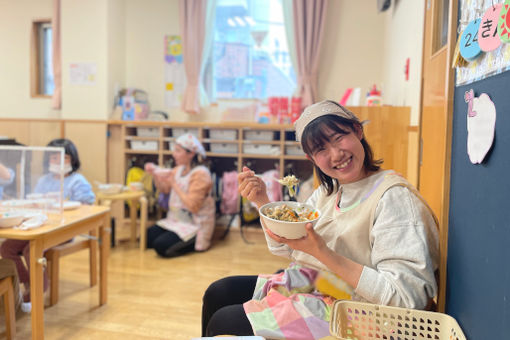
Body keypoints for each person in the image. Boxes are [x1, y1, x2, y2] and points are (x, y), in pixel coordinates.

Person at [201, 100, 439, 338]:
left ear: (358, 130)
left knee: (224, 321)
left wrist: (323, 253)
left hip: (364, 315)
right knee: (218, 292)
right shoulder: (329, 192)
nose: (336, 154)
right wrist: (263, 201)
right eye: (321, 149)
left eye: (339, 138)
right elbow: (286, 247)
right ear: (311, 158)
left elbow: (407, 300)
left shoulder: (394, 198)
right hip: (320, 286)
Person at [0, 138, 95, 306]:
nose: (58, 162)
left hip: (62, 230)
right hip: (39, 226)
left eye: (64, 158)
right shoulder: (44, 180)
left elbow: (87, 205)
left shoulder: (77, 181)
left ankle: (39, 287)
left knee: (32, 249)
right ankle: (28, 281)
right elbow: (35, 202)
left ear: (73, 160)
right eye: (53, 158)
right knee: (6, 248)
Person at [144, 133, 215, 258]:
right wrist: (155, 174)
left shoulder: (201, 174)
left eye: (177, 151)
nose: (173, 154)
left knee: (160, 246)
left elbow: (193, 206)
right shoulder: (179, 169)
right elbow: (165, 189)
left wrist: (174, 184)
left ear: (191, 153)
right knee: (146, 237)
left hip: (194, 225)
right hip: (175, 221)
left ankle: (194, 243)